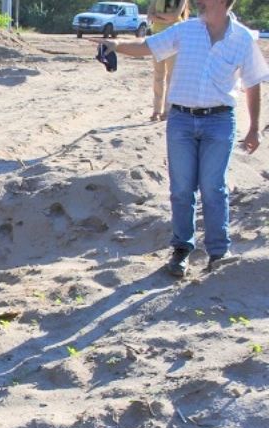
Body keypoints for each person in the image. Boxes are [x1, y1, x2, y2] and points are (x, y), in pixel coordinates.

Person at [91, 0, 269, 277]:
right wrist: (115, 45)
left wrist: (254, 127)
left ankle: (219, 253)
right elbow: (148, 46)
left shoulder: (243, 39)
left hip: (220, 122)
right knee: (181, 189)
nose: (198, 2)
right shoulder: (185, 30)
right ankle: (182, 249)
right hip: (181, 121)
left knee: (213, 187)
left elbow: (253, 82)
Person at [147, 0, 189, 120]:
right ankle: (156, 110)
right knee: (158, 76)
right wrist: (167, 18)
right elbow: (150, 16)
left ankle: (167, 110)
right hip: (157, 37)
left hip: (174, 39)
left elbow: (175, 16)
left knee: (171, 77)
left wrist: (158, 16)